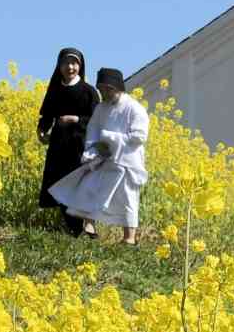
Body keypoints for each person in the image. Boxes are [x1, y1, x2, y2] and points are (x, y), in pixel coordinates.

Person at [47, 67, 149, 243]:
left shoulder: (135, 108)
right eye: (101, 89)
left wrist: (111, 139)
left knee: (127, 199)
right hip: (103, 158)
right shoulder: (101, 108)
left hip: (126, 161)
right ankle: (89, 227)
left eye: (107, 89)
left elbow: (139, 136)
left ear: (117, 87)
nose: (104, 93)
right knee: (88, 187)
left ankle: (129, 238)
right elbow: (93, 130)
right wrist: (92, 149)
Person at [36, 46, 97, 235]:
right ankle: (73, 230)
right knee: (60, 184)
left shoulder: (88, 91)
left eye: (74, 63)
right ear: (59, 66)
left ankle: (84, 227)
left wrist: (76, 119)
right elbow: (47, 114)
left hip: (79, 144)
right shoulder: (54, 89)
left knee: (79, 184)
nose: (70, 67)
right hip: (59, 144)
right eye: (65, 63)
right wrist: (42, 129)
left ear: (80, 66)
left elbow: (96, 120)